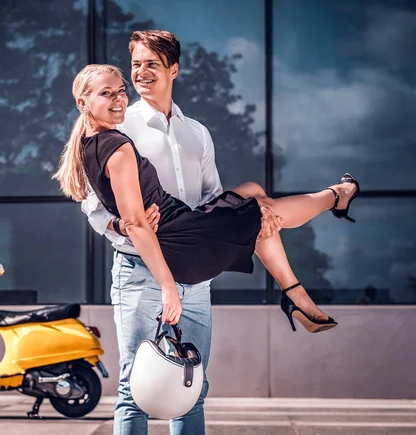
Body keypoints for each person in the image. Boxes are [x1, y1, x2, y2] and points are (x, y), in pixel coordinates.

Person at [59, 71, 359, 435]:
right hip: (179, 245)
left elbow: (129, 215)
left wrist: (127, 224)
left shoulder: (93, 143)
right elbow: (136, 225)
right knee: (138, 389)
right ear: (83, 102)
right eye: (107, 94)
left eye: (120, 91)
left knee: (251, 193)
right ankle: (336, 197)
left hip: (184, 230)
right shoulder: (119, 147)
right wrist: (168, 287)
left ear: (173, 69)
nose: (119, 98)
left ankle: (297, 288)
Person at [80, 30, 224, 435]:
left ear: (173, 70)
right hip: (139, 273)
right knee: (134, 386)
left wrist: (207, 232)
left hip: (194, 278)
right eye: (136, 64)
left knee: (191, 384)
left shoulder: (197, 133)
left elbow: (212, 194)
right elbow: (91, 203)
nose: (140, 73)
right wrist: (121, 223)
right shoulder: (119, 124)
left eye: (151, 64)